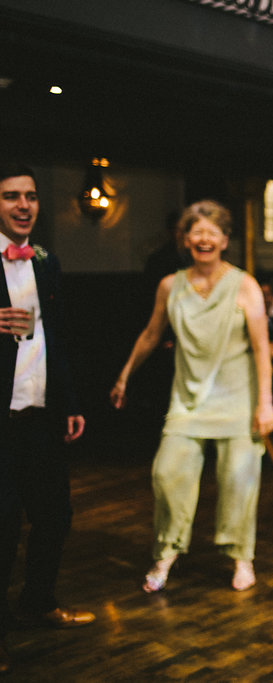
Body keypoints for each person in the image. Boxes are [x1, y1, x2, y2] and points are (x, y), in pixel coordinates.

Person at [110, 200, 273, 594]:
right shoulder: (170, 285)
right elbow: (151, 334)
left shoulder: (245, 285)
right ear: (185, 240)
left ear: (224, 239)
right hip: (188, 399)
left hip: (238, 397)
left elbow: (261, 348)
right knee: (167, 473)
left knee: (239, 478)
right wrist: (123, 376)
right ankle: (166, 552)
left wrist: (265, 402)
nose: (204, 239)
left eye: (211, 232)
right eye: (196, 232)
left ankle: (241, 556)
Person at [0, 164, 93, 674]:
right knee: (2, 523)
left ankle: (37, 603)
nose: (23, 205)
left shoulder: (45, 261)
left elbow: (55, 335)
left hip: (40, 412)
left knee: (55, 515)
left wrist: (71, 400)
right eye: (11, 196)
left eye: (31, 196)